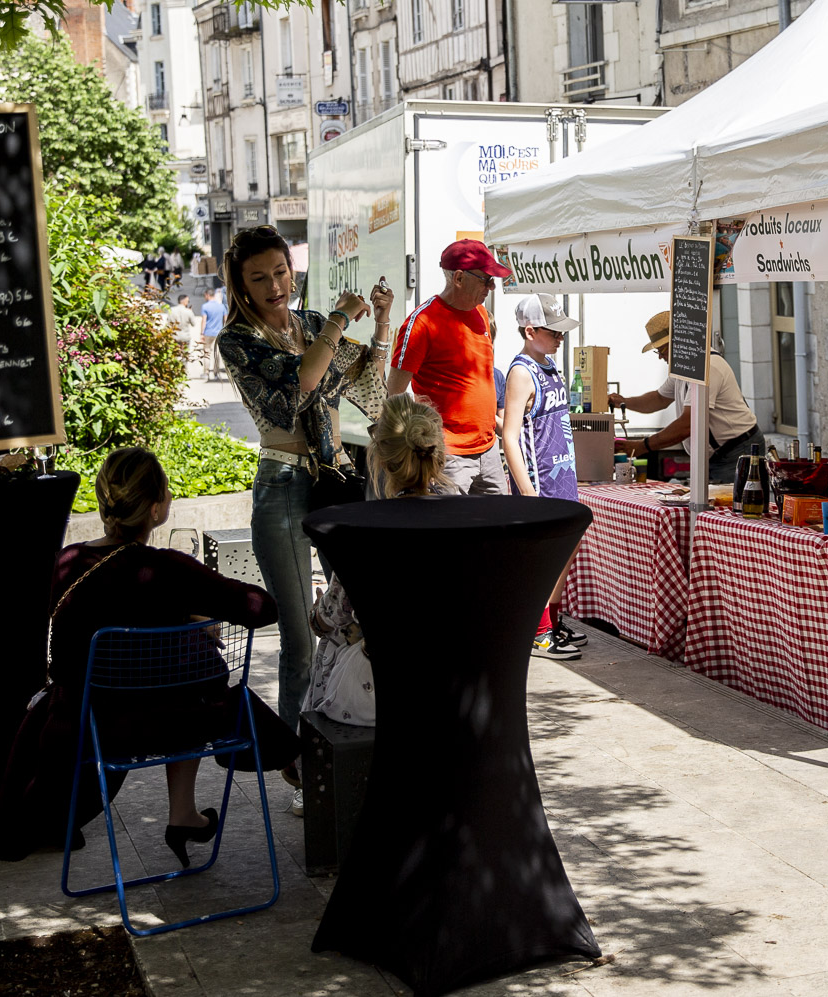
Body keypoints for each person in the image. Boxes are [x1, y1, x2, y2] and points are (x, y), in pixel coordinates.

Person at [0, 448, 303, 863]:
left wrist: (183, 614)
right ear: (156, 509)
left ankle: (184, 815)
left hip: (91, 726)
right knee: (197, 682)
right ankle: (212, 801)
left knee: (176, 671)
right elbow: (261, 608)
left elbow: (95, 614)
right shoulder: (171, 569)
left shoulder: (67, 563)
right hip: (176, 722)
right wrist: (195, 613)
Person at [218, 226, 393, 735]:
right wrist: (339, 319)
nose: (275, 285)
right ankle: (301, 765)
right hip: (283, 486)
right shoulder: (238, 339)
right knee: (298, 640)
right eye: (260, 278)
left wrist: (380, 324)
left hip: (335, 481)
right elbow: (303, 379)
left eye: (280, 272)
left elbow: (368, 389)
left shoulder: (312, 324)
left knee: (352, 619)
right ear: (242, 286)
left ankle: (342, 738)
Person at [305, 395, 462, 740]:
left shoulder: (366, 533)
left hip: (376, 690)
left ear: (382, 459)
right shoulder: (464, 522)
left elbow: (333, 616)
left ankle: (309, 757)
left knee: (333, 638)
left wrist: (318, 616)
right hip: (452, 681)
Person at [501, 294, 587, 660]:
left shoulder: (550, 364)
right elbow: (509, 434)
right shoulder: (521, 371)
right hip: (540, 482)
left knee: (565, 553)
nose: (560, 337)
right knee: (542, 559)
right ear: (530, 330)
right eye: (554, 331)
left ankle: (551, 620)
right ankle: (538, 631)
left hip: (563, 474)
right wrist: (527, 490)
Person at [387, 239, 509, 493]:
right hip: (448, 455)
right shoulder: (422, 323)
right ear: (459, 278)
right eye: (486, 279)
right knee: (449, 531)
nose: (492, 287)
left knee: (499, 530)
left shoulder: (482, 314)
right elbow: (395, 394)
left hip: (488, 451)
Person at [609, 311, 761, 481]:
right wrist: (622, 402)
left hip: (738, 451)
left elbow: (687, 424)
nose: (660, 357)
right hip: (718, 454)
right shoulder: (683, 368)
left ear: (679, 343)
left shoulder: (707, 367)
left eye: (662, 350)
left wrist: (642, 446)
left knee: (732, 505)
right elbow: (658, 399)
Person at [199, 287, 227, 380]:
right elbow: (225, 319)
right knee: (216, 354)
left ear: (207, 295)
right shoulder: (222, 306)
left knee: (207, 353)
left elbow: (204, 320)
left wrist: (202, 333)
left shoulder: (205, 306)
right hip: (218, 332)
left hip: (208, 332)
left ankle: (206, 373)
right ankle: (216, 373)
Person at [166, 294, 199, 368]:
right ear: (184, 301)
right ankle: (183, 370)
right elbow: (193, 324)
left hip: (174, 336)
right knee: (185, 355)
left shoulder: (171, 310)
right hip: (185, 336)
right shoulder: (188, 311)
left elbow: (168, 323)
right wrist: (191, 312)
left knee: (173, 354)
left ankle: (173, 369)